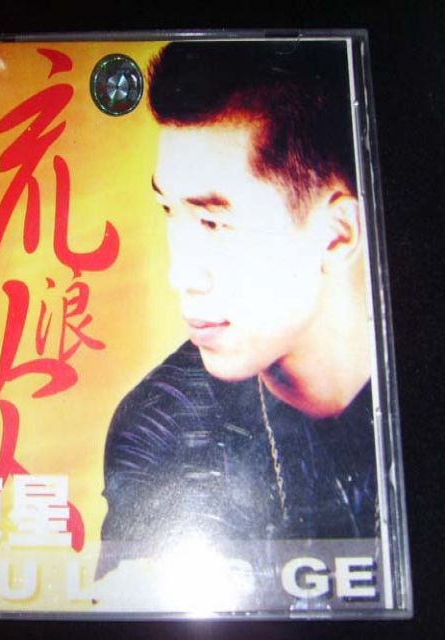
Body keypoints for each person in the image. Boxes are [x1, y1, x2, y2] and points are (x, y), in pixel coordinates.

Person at [96, 41, 378, 580]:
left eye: (213, 222)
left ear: (338, 234)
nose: (181, 275)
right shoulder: (162, 424)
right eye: (168, 210)